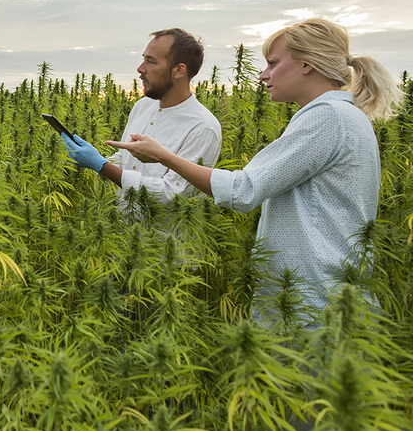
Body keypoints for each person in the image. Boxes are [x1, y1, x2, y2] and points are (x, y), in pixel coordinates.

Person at [106, 19, 402, 315]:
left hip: (313, 298)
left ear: (307, 65)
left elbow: (243, 191)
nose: (263, 75)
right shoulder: (342, 115)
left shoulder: (327, 118)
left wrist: (164, 157)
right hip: (323, 293)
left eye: (273, 63)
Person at [61, 28, 222, 208]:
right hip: (124, 231)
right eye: (143, 58)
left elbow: (172, 195)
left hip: (164, 235)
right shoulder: (143, 106)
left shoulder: (202, 128)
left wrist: (102, 166)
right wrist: (97, 159)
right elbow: (125, 162)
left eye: (150, 61)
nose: (140, 68)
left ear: (178, 70)